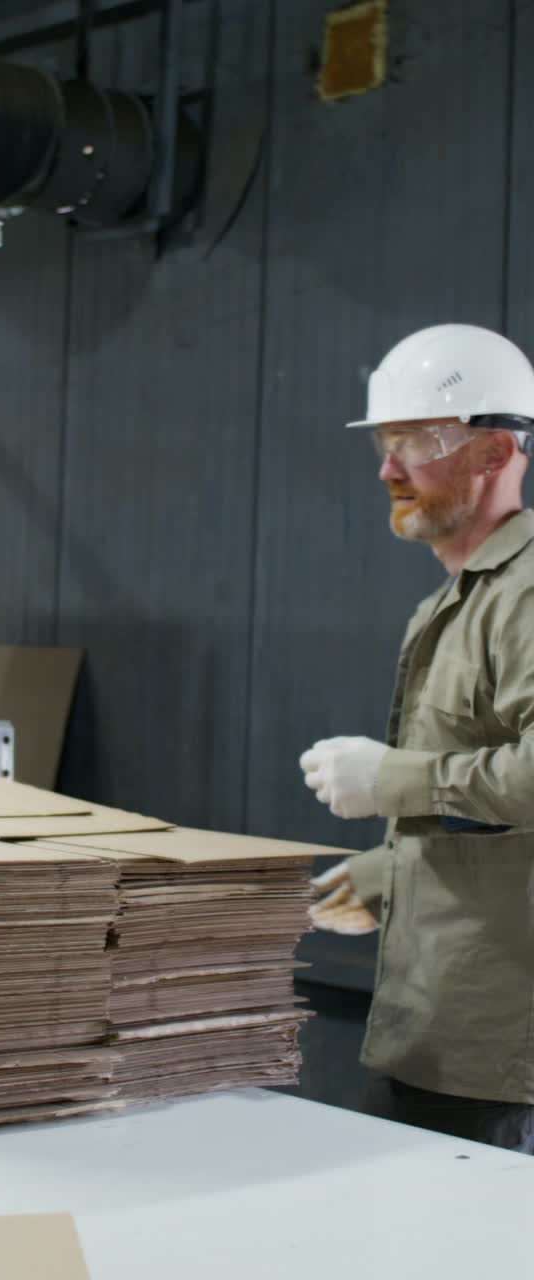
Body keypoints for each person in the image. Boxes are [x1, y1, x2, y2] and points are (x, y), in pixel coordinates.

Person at [299, 323, 534, 1153]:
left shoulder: (526, 595)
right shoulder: (450, 604)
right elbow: (492, 815)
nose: (388, 470)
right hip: (435, 1030)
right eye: (386, 444)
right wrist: (389, 873)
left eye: (417, 442)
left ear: (495, 452)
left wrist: (391, 781)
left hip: (499, 1059)